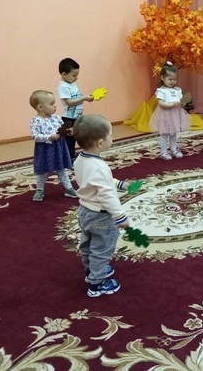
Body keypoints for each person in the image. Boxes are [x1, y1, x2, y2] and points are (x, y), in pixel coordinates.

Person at [73, 114, 130, 297]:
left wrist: (118, 184)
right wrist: (120, 216)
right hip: (101, 216)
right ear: (100, 143)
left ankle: (91, 270)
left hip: (85, 211)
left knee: (88, 244)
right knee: (102, 249)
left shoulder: (80, 160)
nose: (112, 138)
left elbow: (95, 183)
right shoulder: (100, 167)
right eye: (110, 135)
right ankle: (96, 284)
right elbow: (106, 196)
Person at [29, 90, 78, 202]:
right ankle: (40, 189)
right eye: (51, 104)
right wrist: (50, 137)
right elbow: (35, 136)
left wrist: (69, 132)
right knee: (42, 171)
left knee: (61, 169)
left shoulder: (56, 118)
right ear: (40, 107)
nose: (55, 106)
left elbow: (62, 130)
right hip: (44, 150)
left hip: (59, 148)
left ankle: (69, 188)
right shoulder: (36, 121)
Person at [148, 62, 190, 160]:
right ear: (162, 78)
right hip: (165, 115)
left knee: (174, 133)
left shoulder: (177, 90)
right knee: (164, 133)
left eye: (174, 79)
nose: (172, 81)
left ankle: (174, 149)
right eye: (170, 79)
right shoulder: (161, 91)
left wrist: (182, 103)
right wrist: (173, 105)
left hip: (175, 115)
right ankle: (163, 152)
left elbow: (180, 101)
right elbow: (161, 104)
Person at [57, 58, 94, 161]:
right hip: (69, 118)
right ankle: (69, 157)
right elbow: (69, 102)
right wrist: (84, 98)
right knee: (70, 138)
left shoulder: (71, 84)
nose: (76, 78)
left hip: (77, 117)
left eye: (77, 75)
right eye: (74, 75)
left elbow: (76, 97)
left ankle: (72, 154)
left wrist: (88, 97)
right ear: (64, 74)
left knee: (77, 135)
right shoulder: (63, 87)